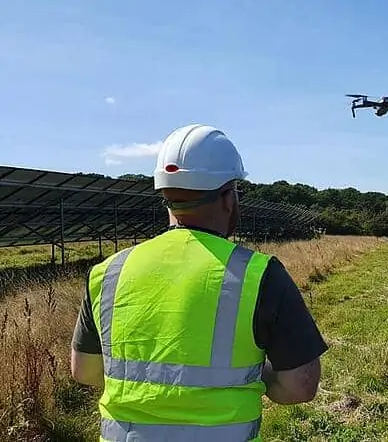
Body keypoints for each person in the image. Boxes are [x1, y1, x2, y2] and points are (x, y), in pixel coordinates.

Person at [70, 123, 328, 441]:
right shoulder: (259, 274)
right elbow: (299, 386)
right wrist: (256, 376)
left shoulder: (107, 272)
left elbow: (85, 371)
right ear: (228, 197)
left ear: (164, 192)